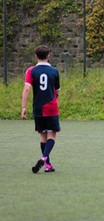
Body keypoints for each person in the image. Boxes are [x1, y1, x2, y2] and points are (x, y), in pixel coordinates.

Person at [21, 45, 60, 173]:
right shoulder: (54, 71)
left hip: (38, 107)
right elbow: (57, 91)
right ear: (48, 56)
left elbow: (27, 89)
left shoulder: (31, 71)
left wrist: (23, 107)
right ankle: (44, 159)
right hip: (51, 107)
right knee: (52, 135)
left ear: (36, 56)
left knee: (43, 135)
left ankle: (48, 165)